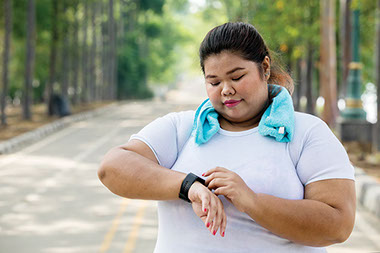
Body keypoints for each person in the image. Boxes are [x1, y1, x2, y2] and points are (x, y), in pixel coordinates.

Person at [98, 22, 356, 252]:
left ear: (264, 68)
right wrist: (189, 187)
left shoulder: (307, 132)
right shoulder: (182, 127)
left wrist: (251, 201)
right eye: (214, 82)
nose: (227, 89)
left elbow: (338, 225)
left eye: (237, 76)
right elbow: (112, 168)